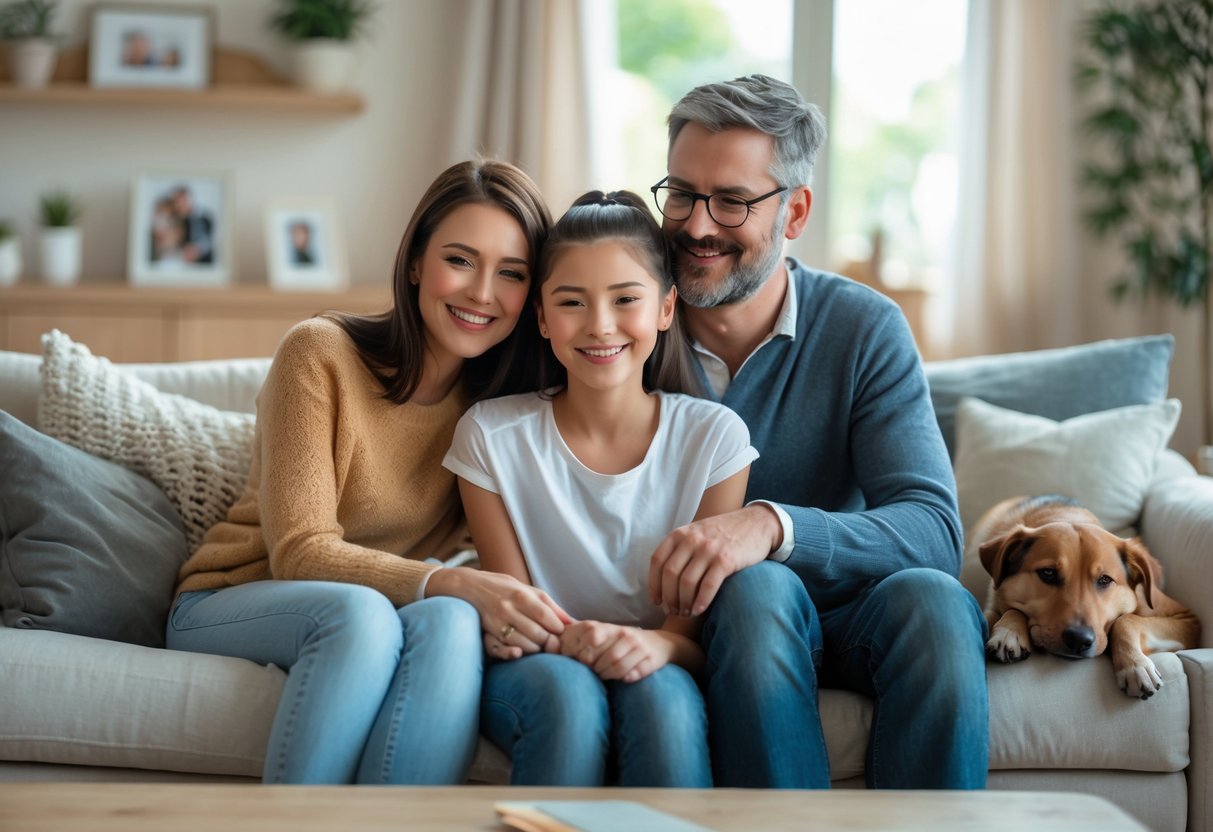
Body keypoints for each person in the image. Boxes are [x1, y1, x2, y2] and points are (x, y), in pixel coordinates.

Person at [166, 159, 569, 784]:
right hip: (232, 597)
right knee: (363, 615)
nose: (482, 293)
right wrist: (450, 583)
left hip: (380, 607)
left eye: (511, 273)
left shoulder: (498, 413)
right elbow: (300, 551)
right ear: (415, 263)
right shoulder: (320, 353)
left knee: (451, 620)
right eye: (460, 260)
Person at [645, 75, 989, 789]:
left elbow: (931, 530)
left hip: (853, 614)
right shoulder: (620, 326)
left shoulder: (863, 328)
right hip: (719, 620)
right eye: (681, 193)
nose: (698, 224)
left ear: (794, 212)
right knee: (756, 591)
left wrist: (771, 525)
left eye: (733, 201)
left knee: (935, 601)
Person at [443, 191, 757, 787]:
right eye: (571, 303)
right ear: (540, 316)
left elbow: (687, 639)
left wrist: (657, 649)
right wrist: (587, 644)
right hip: (536, 667)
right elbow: (518, 619)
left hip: (659, 662)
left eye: (625, 300)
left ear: (666, 308)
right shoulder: (489, 435)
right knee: (568, 698)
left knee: (663, 702)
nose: (599, 325)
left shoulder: (715, 439)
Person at [170, 186, 214, 264]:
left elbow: (210, 240)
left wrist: (197, 249)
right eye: (177, 202)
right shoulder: (176, 219)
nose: (179, 206)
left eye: (182, 201)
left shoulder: (203, 216)